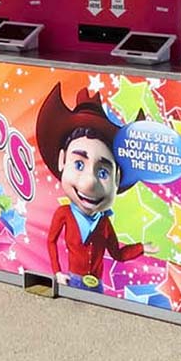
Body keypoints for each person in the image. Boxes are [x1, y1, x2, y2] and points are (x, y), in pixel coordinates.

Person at [35, 83, 151, 291]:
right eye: (79, 164)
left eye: (103, 173)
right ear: (63, 160)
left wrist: (142, 248)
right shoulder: (64, 214)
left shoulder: (104, 223)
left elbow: (117, 254)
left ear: (116, 178)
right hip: (72, 280)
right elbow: (51, 242)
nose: (89, 183)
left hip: (97, 286)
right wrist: (57, 272)